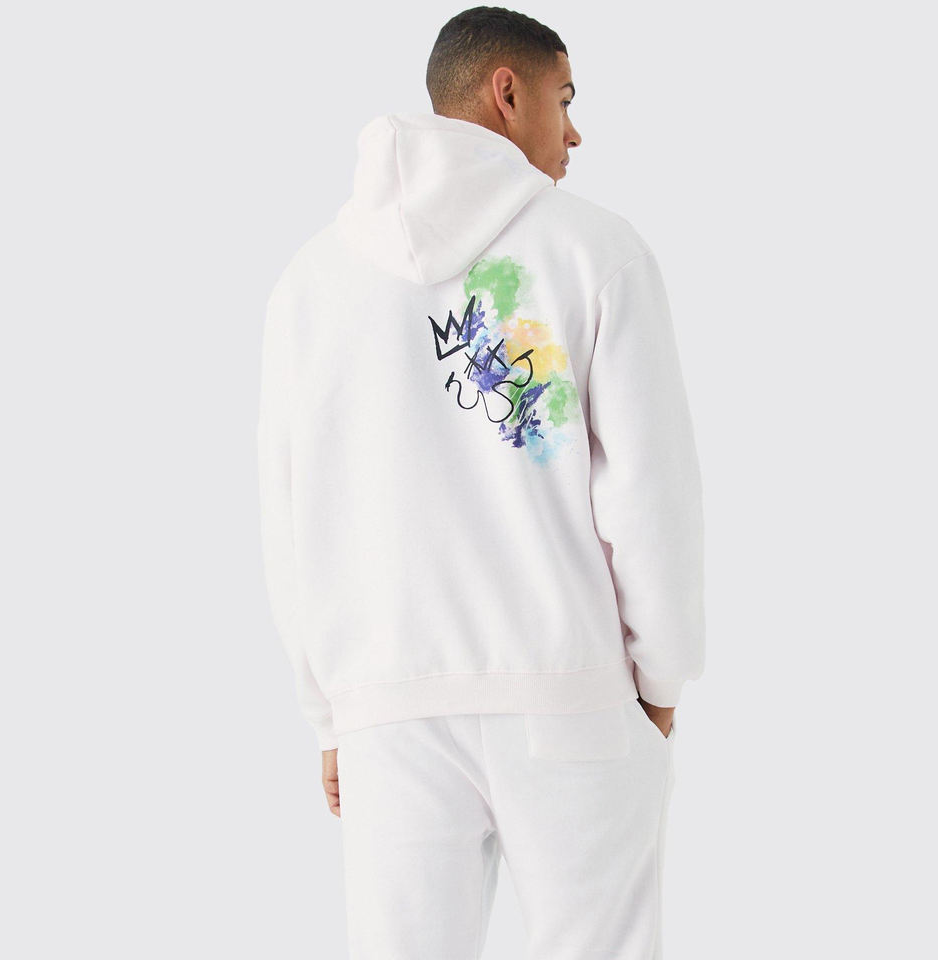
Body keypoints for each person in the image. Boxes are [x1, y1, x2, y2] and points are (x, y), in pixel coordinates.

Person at [256, 6, 705, 958]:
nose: (575, 132)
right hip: (569, 696)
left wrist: (331, 711)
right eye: (564, 98)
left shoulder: (311, 282)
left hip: (389, 707)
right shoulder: (596, 250)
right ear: (507, 92)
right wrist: (661, 676)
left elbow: (290, 514)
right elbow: (651, 491)